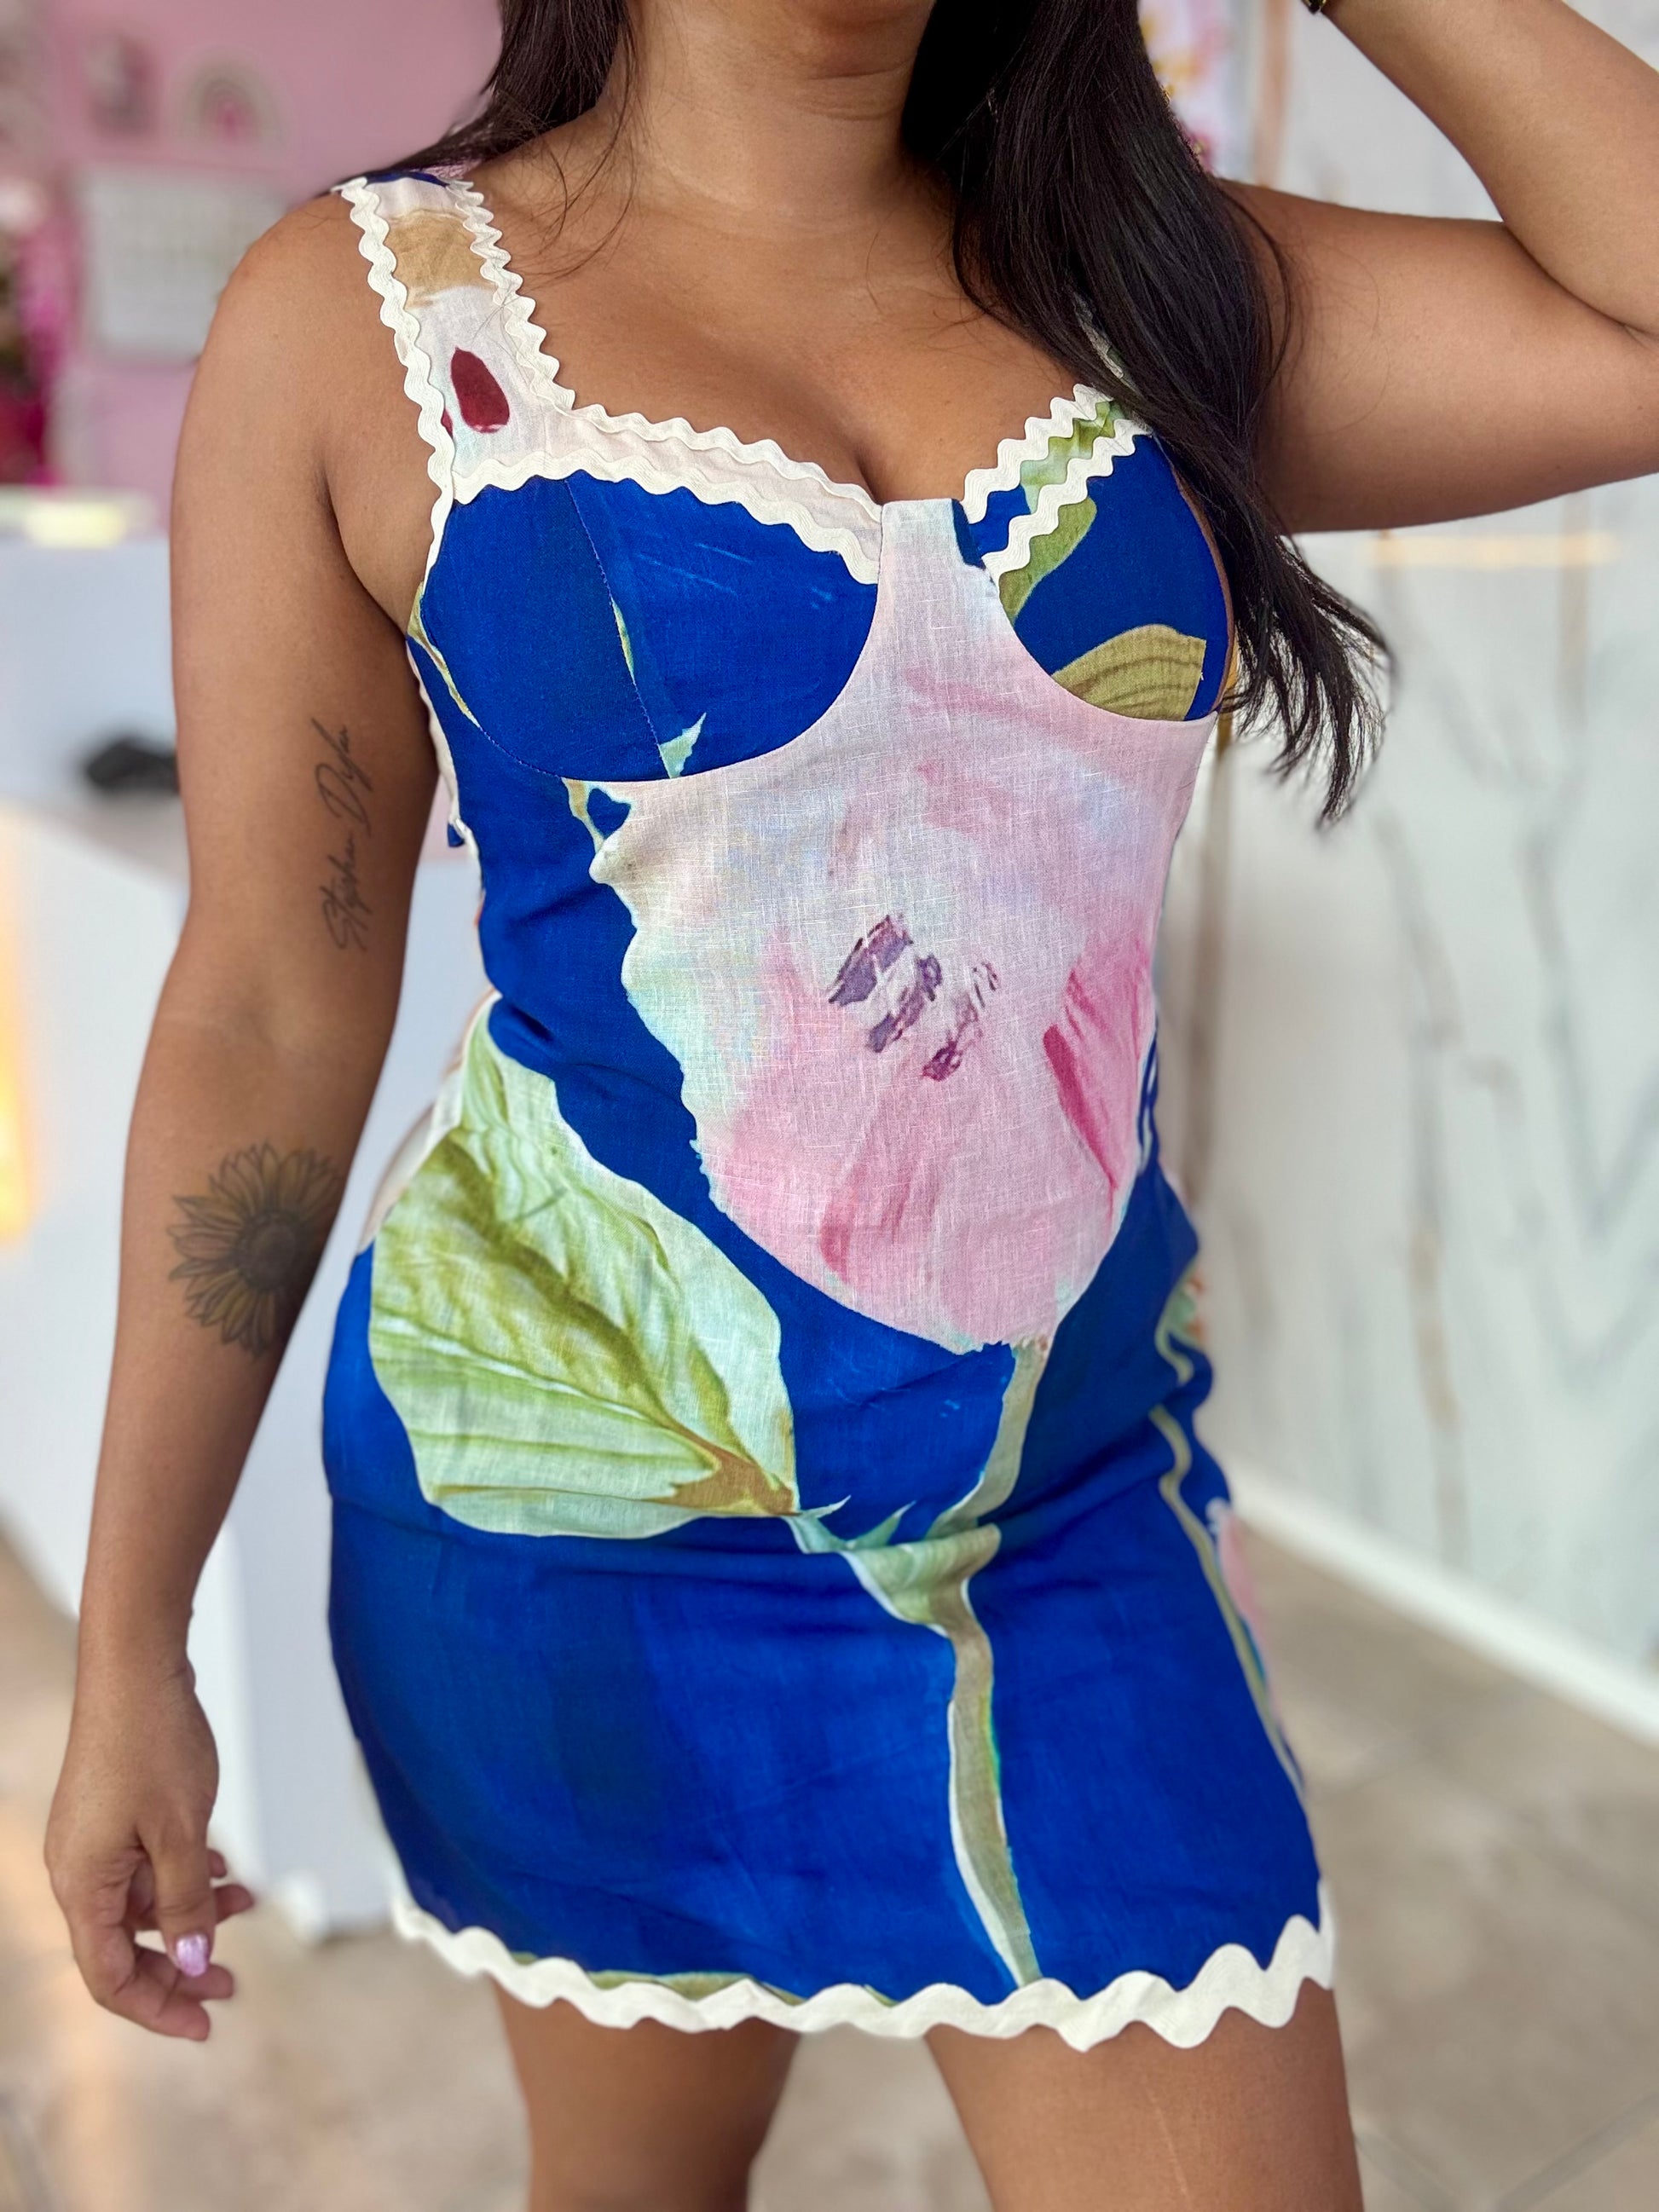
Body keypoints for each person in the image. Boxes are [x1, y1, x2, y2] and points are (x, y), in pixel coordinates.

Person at [43, 0, 1659, 2204]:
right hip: (579, 1502)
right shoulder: (363, 322)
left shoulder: (1146, 295)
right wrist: (131, 1636)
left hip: (1063, 1502)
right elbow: (265, 1002)